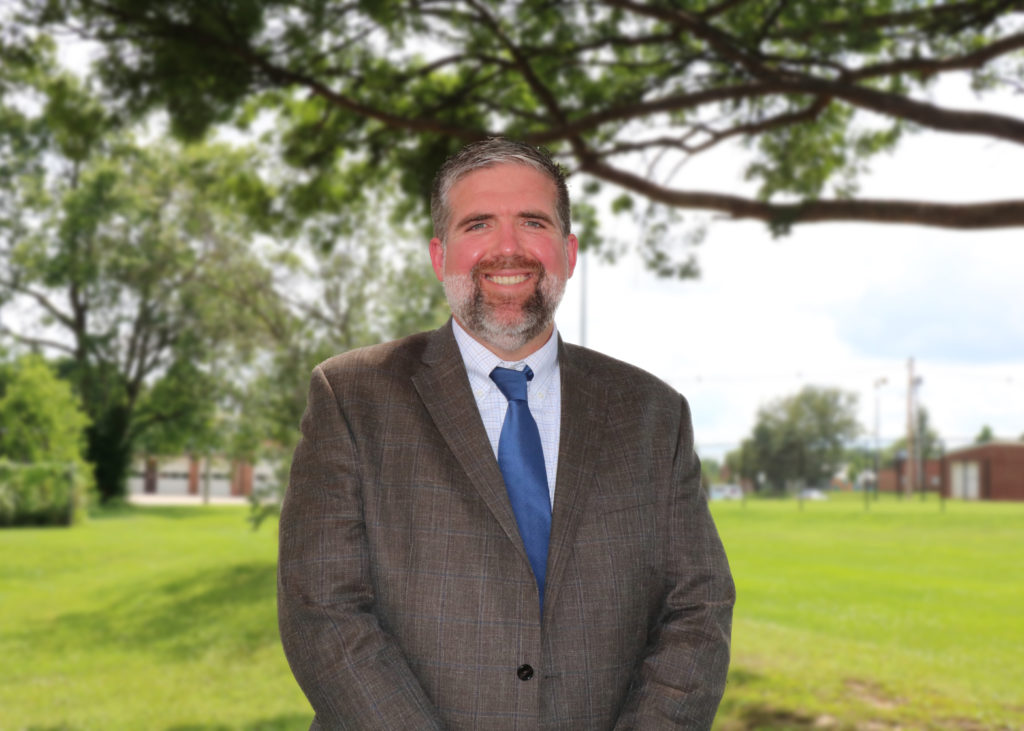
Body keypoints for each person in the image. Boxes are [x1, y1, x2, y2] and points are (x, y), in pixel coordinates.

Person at [278, 138, 735, 729]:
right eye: (478, 225)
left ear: (568, 252)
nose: (508, 248)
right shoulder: (352, 397)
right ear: (439, 256)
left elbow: (698, 609)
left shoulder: (653, 413)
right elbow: (323, 611)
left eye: (532, 222)